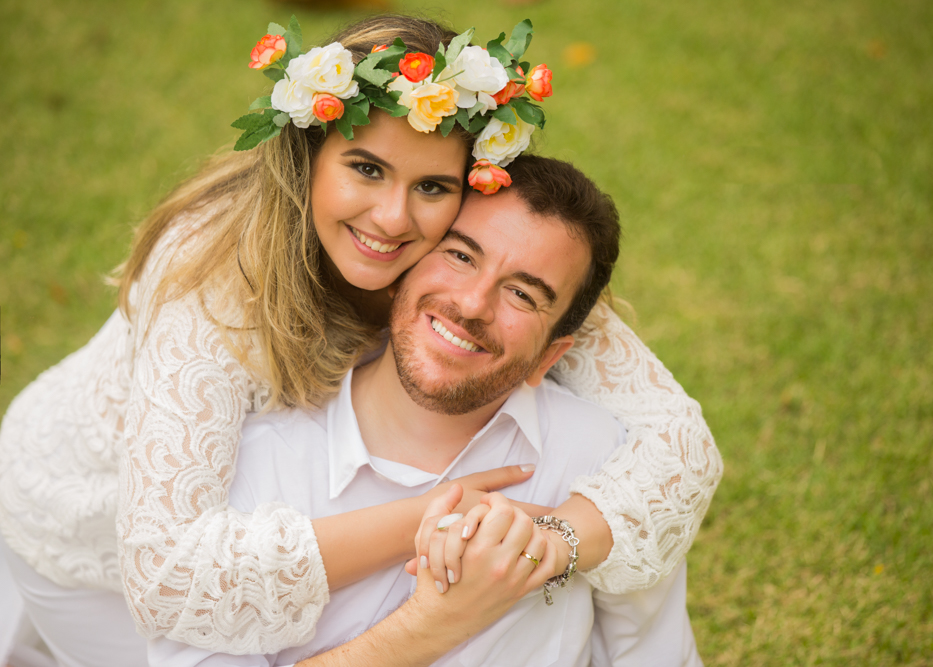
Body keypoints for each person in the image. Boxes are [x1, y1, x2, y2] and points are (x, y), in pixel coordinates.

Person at [0, 13, 722, 666]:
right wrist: (441, 512)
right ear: (310, 152)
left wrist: (553, 537)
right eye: (366, 169)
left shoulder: (479, 263)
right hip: (91, 532)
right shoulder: (212, 279)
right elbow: (165, 575)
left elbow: (680, 448)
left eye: (433, 186)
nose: (391, 218)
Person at [149, 155, 701, 667]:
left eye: (523, 295)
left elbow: (650, 653)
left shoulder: (608, 464)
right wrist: (434, 624)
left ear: (551, 356)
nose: (471, 304)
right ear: (399, 271)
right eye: (460, 256)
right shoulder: (251, 474)